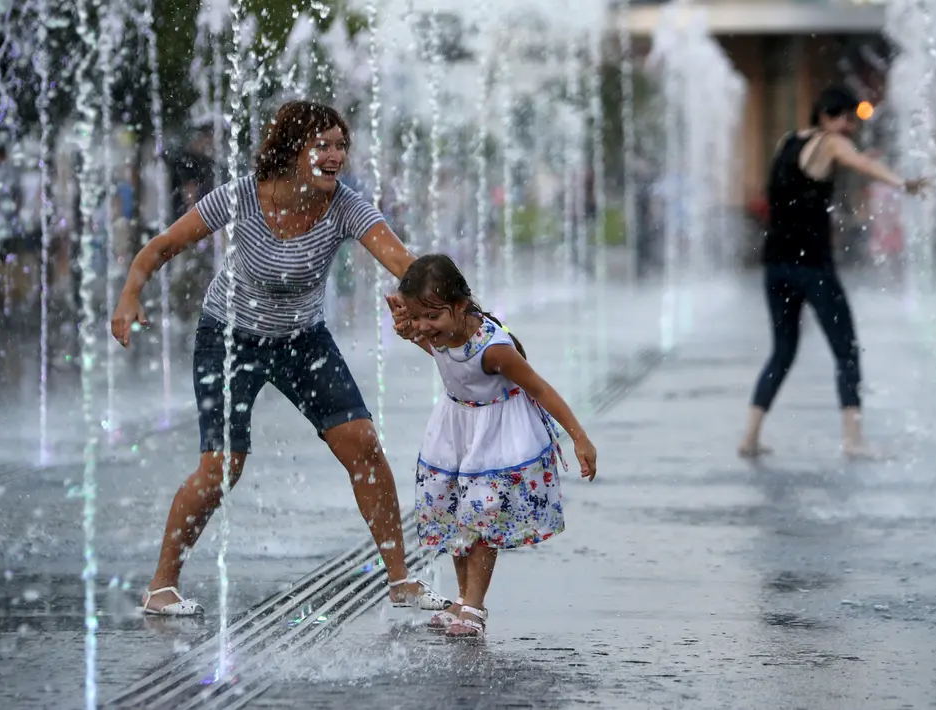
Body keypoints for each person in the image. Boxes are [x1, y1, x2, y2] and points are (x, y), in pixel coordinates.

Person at [110, 100, 447, 615]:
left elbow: (402, 261)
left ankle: (400, 580)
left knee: (364, 445)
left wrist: (449, 306)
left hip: (302, 340)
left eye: (341, 146)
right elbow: (162, 246)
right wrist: (130, 295)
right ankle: (161, 585)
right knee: (222, 466)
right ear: (293, 151)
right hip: (229, 335)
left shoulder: (345, 206)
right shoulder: (243, 195)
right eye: (323, 145)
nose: (336, 155)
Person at [386, 254, 597, 638]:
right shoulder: (438, 335)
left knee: (481, 517)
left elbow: (539, 388)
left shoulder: (493, 349)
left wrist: (579, 437)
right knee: (455, 514)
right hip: (455, 429)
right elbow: (437, 351)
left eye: (431, 317)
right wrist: (410, 329)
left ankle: (474, 608)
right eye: (418, 317)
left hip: (496, 432)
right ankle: (463, 598)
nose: (424, 327)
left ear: (461, 306)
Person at [738, 86, 925, 459]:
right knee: (847, 351)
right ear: (826, 115)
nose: (849, 127)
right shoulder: (831, 142)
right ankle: (853, 440)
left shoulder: (786, 142)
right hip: (813, 266)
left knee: (782, 352)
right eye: (845, 118)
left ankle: (750, 437)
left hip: (776, 265)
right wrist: (902, 183)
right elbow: (862, 164)